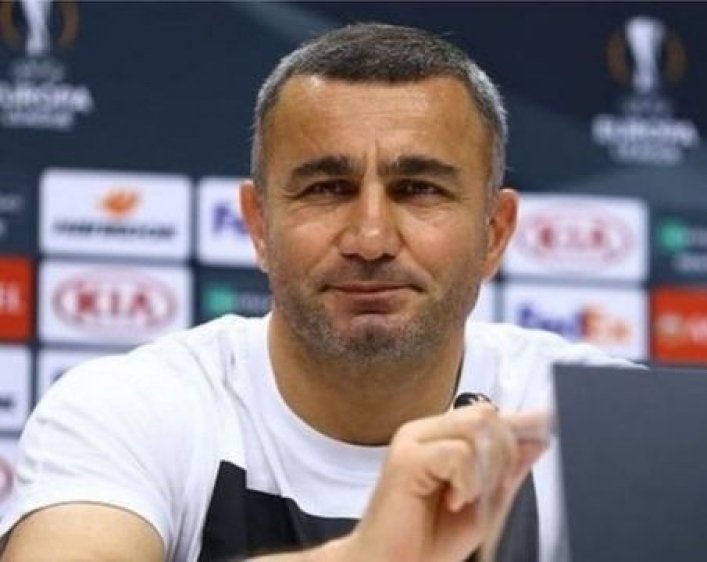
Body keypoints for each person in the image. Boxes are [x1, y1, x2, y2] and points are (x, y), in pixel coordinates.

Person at [0, 23, 633, 562]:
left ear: (495, 233)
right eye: (327, 189)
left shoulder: (601, 422)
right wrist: (365, 556)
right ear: (259, 226)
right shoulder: (134, 405)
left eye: (419, 189)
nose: (371, 238)